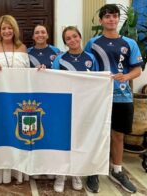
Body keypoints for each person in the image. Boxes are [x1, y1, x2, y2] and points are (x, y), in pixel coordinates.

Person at [85, 4, 143, 193]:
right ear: (101, 20)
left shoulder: (130, 43)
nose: (111, 19)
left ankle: (117, 171)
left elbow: (137, 69)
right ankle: (93, 171)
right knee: (96, 134)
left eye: (115, 16)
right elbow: (85, 68)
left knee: (118, 136)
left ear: (118, 19)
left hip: (122, 97)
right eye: (108, 16)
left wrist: (126, 77)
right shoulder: (92, 43)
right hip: (98, 98)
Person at [52, 26, 99, 193]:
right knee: (62, 140)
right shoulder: (59, 59)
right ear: (65, 42)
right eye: (68, 38)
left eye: (74, 36)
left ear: (80, 37)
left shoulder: (91, 58)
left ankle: (76, 173)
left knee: (79, 139)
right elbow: (53, 82)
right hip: (64, 105)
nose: (72, 40)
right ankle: (61, 174)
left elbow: (97, 82)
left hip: (84, 106)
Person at [0, 15, 30, 184]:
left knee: (18, 133)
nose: (6, 31)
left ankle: (18, 171)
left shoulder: (22, 48)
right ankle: (0, 173)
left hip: (19, 99)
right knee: (1, 132)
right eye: (3, 28)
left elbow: (28, 74)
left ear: (14, 30)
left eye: (9, 28)